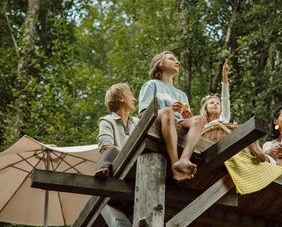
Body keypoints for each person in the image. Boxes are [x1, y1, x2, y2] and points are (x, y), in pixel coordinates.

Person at [138, 51, 205, 182]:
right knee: (168, 111)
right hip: (161, 120)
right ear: (160, 64)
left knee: (199, 119)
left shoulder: (182, 94)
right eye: (171, 59)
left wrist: (187, 116)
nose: (177, 62)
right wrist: (169, 110)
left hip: (178, 123)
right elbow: (142, 114)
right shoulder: (152, 84)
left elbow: (185, 119)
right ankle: (176, 164)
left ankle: (185, 158)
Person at [200, 60, 268, 163]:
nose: (215, 104)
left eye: (217, 103)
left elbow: (225, 98)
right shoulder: (202, 126)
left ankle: (255, 149)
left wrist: (225, 78)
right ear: (205, 109)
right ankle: (254, 147)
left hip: (225, 145)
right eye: (212, 103)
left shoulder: (223, 118)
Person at [94, 83, 139, 177]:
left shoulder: (137, 122)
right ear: (121, 98)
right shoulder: (107, 121)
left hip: (137, 164)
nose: (135, 99)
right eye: (130, 95)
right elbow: (105, 148)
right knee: (111, 149)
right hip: (117, 168)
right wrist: (129, 152)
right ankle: (102, 170)